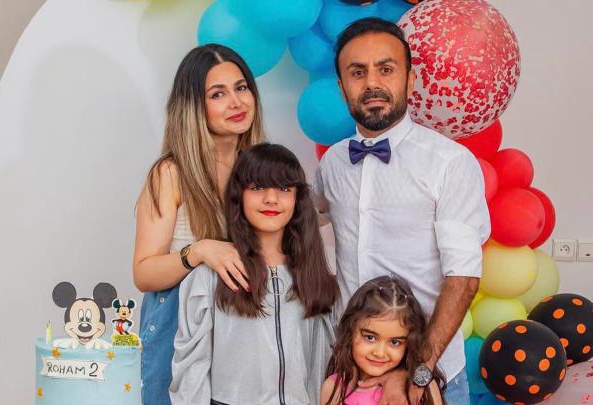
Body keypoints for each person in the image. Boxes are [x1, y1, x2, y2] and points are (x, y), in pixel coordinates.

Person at [313, 17, 490, 405]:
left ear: (410, 80)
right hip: (349, 377)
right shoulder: (331, 165)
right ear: (342, 88)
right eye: (357, 72)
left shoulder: (450, 163)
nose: (372, 83)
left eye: (386, 69)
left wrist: (418, 370)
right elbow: (303, 228)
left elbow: (463, 278)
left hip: (429, 377)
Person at [133, 44, 266, 405]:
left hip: (242, 331)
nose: (236, 102)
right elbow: (144, 273)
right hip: (178, 328)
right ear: (193, 106)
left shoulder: (260, 172)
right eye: (217, 94)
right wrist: (200, 251)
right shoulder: (171, 173)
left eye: (241, 88)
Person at [170, 143, 340, 405]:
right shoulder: (209, 277)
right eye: (258, 187)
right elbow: (191, 370)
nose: (271, 198)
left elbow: (323, 364)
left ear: (297, 200)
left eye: (284, 189)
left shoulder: (314, 274)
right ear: (239, 195)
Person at [321, 276, 445, 405]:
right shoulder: (334, 389)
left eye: (395, 342)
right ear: (350, 332)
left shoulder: (421, 386)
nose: (380, 353)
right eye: (370, 337)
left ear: (409, 345)